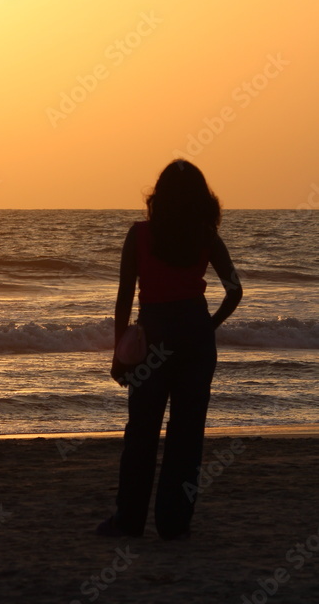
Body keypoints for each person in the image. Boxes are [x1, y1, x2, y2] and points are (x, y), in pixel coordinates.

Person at [97, 159, 243, 541]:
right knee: (187, 435)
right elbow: (234, 291)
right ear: (202, 200)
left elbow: (125, 296)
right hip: (196, 338)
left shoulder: (140, 235)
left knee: (141, 432)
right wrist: (207, 326)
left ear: (157, 198)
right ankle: (173, 524)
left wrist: (118, 352)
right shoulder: (206, 238)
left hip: (153, 341)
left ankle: (128, 522)